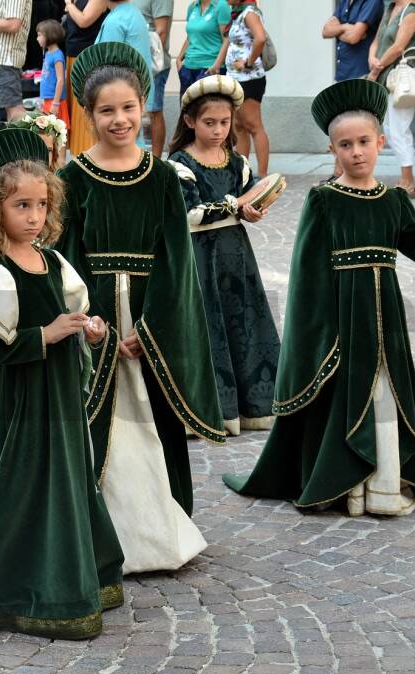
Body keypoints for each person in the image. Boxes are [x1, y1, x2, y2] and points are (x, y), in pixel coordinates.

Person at [223, 78, 415, 517]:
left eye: (364, 141)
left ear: (381, 142)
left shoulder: (393, 200)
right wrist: (320, 333)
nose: (356, 152)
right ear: (333, 151)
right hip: (342, 321)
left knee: (387, 391)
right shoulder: (323, 199)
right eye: (345, 145)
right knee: (350, 393)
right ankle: (351, 485)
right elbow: (307, 272)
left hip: (387, 319)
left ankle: (385, 484)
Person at [0, 127, 125, 639]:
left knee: (68, 478)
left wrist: (93, 330)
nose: (34, 217)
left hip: (59, 395)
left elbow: (77, 311)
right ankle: (17, 591)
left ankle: (84, 573)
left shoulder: (53, 260)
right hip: (22, 399)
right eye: (21, 207)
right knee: (25, 484)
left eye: (41, 205)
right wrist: (44, 335)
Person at [58, 43, 225, 573]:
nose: (119, 119)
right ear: (89, 115)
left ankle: (160, 525)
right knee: (98, 420)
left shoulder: (162, 179)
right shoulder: (73, 178)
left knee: (153, 418)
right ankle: (100, 529)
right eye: (106, 110)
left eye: (128, 107)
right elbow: (65, 258)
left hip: (151, 320)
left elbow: (177, 263)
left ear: (143, 107)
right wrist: (86, 320)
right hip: (97, 319)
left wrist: (151, 330)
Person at [166, 75, 279, 436]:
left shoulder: (237, 162)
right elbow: (189, 213)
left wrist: (254, 208)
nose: (217, 130)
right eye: (208, 123)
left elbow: (249, 196)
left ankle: (253, 407)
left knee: (242, 323)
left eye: (224, 123)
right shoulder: (179, 164)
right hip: (200, 257)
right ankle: (211, 410)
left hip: (236, 256)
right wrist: (237, 205)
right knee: (208, 324)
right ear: (189, 122)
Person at [321, 0, 384, 183]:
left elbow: (355, 36)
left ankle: (356, 178)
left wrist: (341, 29)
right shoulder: (344, 3)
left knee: (356, 127)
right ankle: (339, 175)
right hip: (343, 72)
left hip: (360, 73)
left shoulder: (371, 2)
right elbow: (325, 31)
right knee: (341, 126)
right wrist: (346, 28)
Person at [367, 0, 415, 197]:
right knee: (390, 129)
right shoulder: (390, 9)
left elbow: (399, 47)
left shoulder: (411, 11)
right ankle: (406, 176)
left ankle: (408, 179)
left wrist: (376, 68)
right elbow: (376, 40)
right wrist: (373, 59)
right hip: (385, 76)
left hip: (400, 78)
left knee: (399, 129)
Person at [225, 0, 270, 179]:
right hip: (236, 78)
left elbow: (260, 38)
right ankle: (243, 173)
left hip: (249, 79)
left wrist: (248, 62)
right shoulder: (237, 12)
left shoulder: (250, 13)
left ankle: (263, 174)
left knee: (254, 126)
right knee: (239, 126)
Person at [63, 0, 108, 156]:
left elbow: (84, 21)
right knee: (75, 115)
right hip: (73, 55)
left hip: (86, 58)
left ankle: (87, 155)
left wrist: (69, 5)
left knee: (83, 111)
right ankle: (78, 154)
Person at [132, 0, 172, 157]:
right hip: (134, 65)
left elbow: (161, 31)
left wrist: (148, 65)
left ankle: (156, 160)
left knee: (153, 111)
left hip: (153, 66)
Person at [176, 0, 230, 95]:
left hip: (209, 68)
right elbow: (190, 37)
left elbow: (227, 39)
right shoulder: (192, 7)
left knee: (207, 108)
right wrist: (179, 59)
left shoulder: (221, 5)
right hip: (188, 67)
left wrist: (217, 65)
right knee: (187, 109)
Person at [36, 19, 68, 130]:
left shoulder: (57, 56)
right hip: (47, 100)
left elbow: (60, 80)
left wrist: (55, 103)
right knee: (49, 133)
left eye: (40, 35)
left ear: (49, 36)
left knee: (59, 133)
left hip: (55, 101)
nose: (37, 38)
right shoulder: (48, 53)